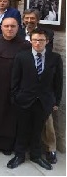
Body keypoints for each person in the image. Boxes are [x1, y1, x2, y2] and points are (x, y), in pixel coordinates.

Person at [7, 29, 63, 170]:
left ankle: (36, 155)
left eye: (41, 40)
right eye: (35, 40)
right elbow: (15, 80)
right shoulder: (21, 57)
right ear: (30, 41)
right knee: (22, 128)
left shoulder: (55, 58)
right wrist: (15, 97)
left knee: (38, 130)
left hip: (44, 101)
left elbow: (58, 82)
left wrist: (56, 101)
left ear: (47, 41)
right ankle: (19, 155)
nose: (38, 43)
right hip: (24, 100)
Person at [0, 17, 30, 154]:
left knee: (10, 116)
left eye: (13, 26)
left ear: (18, 28)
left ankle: (7, 145)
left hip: (15, 87)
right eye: (6, 26)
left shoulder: (25, 45)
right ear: (1, 27)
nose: (10, 29)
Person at [18, 8, 57, 164]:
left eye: (32, 18)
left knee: (47, 121)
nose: (29, 21)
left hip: (41, 82)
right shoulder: (19, 33)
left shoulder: (47, 34)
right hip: (25, 81)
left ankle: (51, 149)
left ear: (37, 20)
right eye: (26, 18)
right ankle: (25, 148)